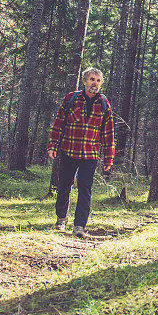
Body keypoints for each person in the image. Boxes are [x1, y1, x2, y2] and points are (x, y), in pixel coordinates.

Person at [47, 67, 114, 238]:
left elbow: (108, 134)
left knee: (85, 188)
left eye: (98, 81)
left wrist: (108, 158)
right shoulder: (71, 99)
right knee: (64, 185)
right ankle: (61, 218)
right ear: (84, 81)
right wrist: (53, 145)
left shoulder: (104, 104)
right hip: (69, 150)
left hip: (90, 154)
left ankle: (79, 226)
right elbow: (58, 123)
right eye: (92, 79)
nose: (95, 83)